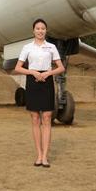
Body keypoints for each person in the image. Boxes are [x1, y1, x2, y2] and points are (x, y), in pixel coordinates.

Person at [14, 18, 65, 168]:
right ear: (33, 31)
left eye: (43, 28)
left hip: (47, 82)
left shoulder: (51, 47)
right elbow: (18, 67)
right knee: (35, 118)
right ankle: (38, 155)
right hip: (33, 81)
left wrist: (49, 73)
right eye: (38, 28)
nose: (40, 31)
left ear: (46, 31)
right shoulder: (27, 47)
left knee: (47, 117)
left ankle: (45, 157)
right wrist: (32, 72)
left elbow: (61, 67)